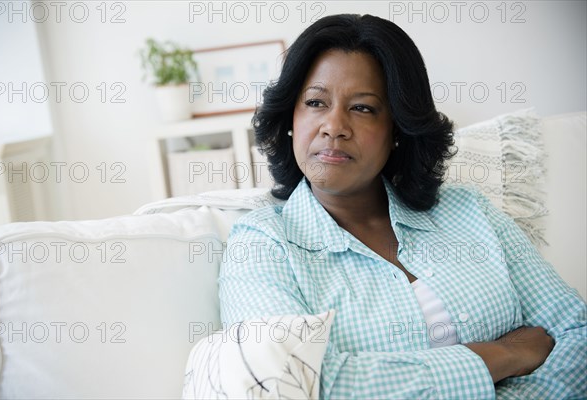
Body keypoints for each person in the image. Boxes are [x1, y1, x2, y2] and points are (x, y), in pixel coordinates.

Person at [218, 14, 586, 399]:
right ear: (290, 118)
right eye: (315, 102)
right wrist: (501, 354)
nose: (334, 126)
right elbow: (296, 385)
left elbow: (575, 331)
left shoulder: (471, 213)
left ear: (398, 128)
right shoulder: (260, 245)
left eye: (362, 108)